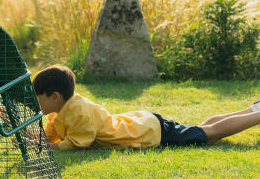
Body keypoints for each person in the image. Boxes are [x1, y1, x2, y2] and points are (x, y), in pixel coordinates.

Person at [32, 65, 260, 150]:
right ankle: (252, 110)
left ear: (55, 96)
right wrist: (34, 138)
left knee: (209, 135)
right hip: (143, 124)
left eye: (38, 97)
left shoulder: (78, 111)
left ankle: (256, 114)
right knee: (203, 128)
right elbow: (51, 135)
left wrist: (48, 148)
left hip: (149, 133)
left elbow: (76, 143)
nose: (36, 102)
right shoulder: (63, 109)